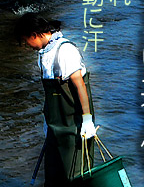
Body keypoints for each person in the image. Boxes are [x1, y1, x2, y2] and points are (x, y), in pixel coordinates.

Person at [14, 13, 96, 184]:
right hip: (54, 125)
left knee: (74, 176)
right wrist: (47, 122)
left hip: (74, 125)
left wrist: (87, 120)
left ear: (34, 35)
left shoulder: (65, 50)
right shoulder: (44, 54)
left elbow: (80, 86)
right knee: (52, 175)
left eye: (25, 41)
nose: (27, 46)